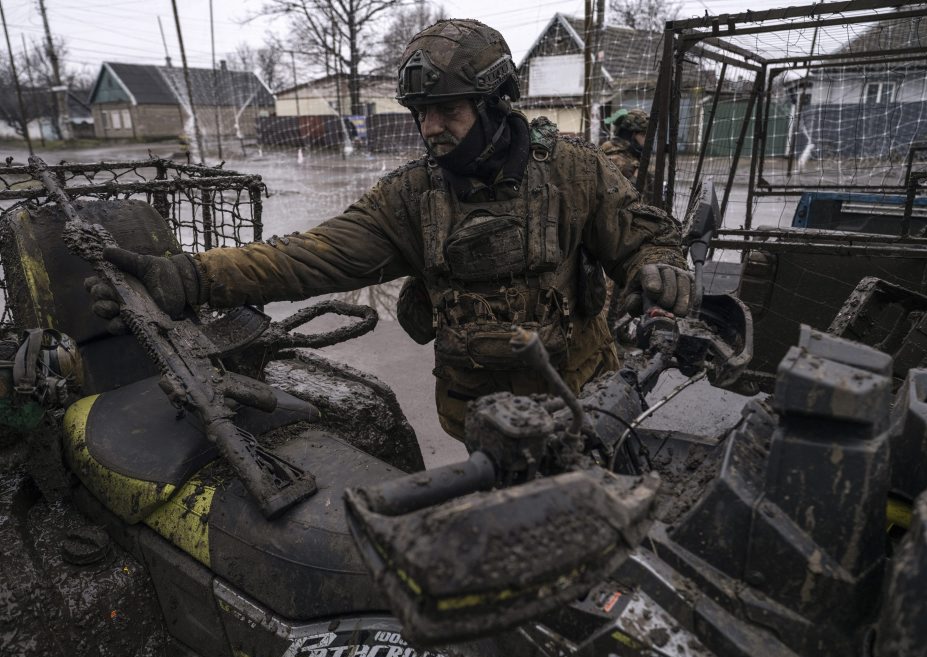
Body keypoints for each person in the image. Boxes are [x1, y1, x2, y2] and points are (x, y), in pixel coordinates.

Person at [88, 19, 691, 441]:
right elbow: (306, 256)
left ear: (494, 104)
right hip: (482, 421)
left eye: (448, 110)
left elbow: (645, 238)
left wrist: (660, 268)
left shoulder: (574, 171)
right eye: (421, 113)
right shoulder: (409, 198)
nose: (430, 128)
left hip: (584, 402)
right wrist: (189, 277)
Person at [600, 108, 656, 202]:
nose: (647, 139)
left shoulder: (632, 155)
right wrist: (636, 178)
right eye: (643, 135)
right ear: (631, 135)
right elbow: (617, 198)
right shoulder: (616, 159)